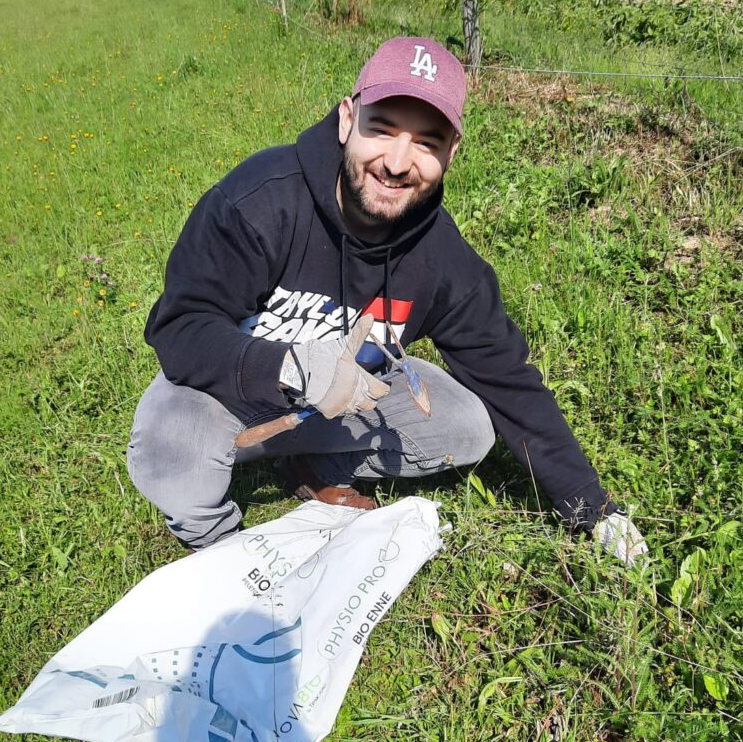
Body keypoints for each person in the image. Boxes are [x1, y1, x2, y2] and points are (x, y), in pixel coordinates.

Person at [127, 36, 647, 567]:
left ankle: (317, 468)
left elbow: (508, 380)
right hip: (227, 397)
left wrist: (593, 508)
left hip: (337, 408)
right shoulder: (260, 201)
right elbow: (180, 326)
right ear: (347, 118)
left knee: (468, 425)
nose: (398, 163)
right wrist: (287, 367)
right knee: (174, 456)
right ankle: (221, 550)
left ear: (451, 152)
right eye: (382, 128)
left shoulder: (443, 259)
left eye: (426, 142)